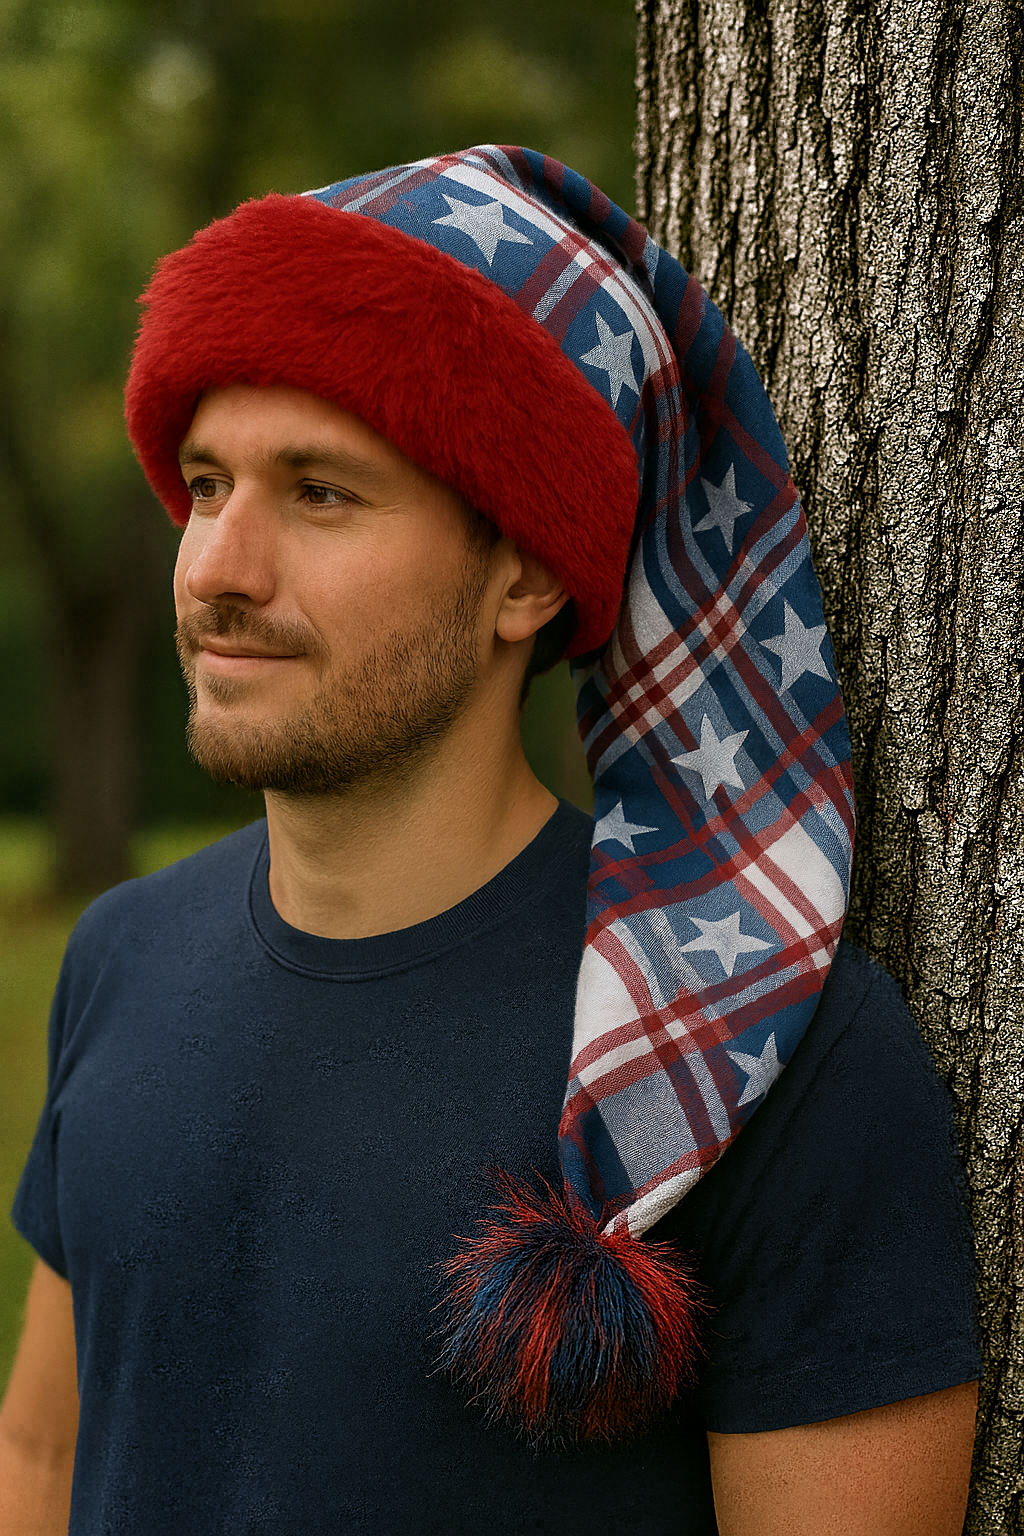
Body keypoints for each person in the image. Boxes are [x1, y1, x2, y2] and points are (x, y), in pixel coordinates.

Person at [0, 146, 980, 1534]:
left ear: (524, 569)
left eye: (322, 493)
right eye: (209, 483)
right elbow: (43, 1461)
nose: (216, 566)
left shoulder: (747, 1050)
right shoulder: (119, 959)